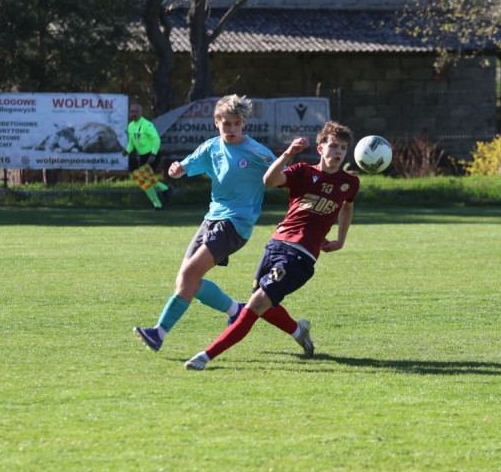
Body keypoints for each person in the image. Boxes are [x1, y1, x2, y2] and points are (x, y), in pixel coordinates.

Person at [184, 121, 359, 371]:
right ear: (321, 149)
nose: (338, 151)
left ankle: (205, 357)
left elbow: (348, 206)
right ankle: (299, 331)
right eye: (333, 146)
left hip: (300, 257)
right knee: (262, 303)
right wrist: (288, 154)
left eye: (342, 147)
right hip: (276, 245)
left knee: (256, 305)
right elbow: (269, 179)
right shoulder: (302, 171)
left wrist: (341, 239)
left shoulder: (349, 182)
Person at [134, 94, 280, 351]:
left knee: (189, 275)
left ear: (244, 124)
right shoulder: (211, 147)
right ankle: (236, 311)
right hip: (211, 219)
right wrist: (176, 170)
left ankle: (158, 333)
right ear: (216, 122)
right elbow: (184, 167)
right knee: (186, 281)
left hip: (235, 224)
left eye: (237, 123)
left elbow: (284, 174)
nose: (232, 128)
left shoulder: (257, 152)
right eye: (227, 123)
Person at [123, 103, 169, 210]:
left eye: (136, 112)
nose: (134, 114)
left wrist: (153, 154)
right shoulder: (130, 126)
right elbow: (131, 143)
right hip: (143, 157)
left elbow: (156, 139)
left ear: (141, 113)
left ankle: (160, 201)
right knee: (143, 181)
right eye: (132, 112)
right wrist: (127, 151)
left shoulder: (146, 124)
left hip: (152, 155)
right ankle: (164, 192)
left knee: (143, 179)